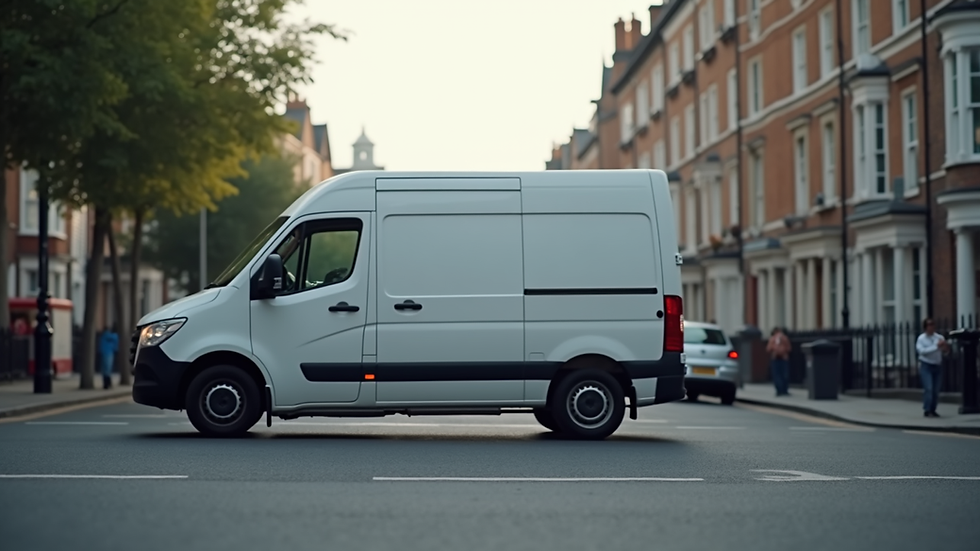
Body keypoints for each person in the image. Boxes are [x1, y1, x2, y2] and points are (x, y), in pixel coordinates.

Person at [915, 318, 948, 418]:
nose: (932, 327)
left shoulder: (939, 337)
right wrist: (936, 346)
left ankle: (933, 409)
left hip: (937, 365)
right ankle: (927, 409)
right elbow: (922, 352)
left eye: (933, 325)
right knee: (928, 388)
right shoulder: (921, 338)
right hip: (926, 365)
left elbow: (945, 351)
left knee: (936, 390)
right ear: (925, 327)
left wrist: (944, 347)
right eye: (929, 325)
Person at [766, 326, 792, 397]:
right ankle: (784, 390)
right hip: (784, 358)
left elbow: (768, 349)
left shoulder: (772, 339)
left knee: (776, 375)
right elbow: (789, 348)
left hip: (775, 359)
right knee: (784, 374)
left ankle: (779, 390)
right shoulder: (784, 338)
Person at [97, 325, 119, 390]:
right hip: (109, 353)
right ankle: (108, 383)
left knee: (104, 369)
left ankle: (106, 384)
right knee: (108, 368)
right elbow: (115, 339)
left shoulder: (103, 336)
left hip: (104, 353)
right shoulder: (111, 336)